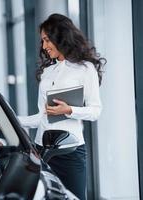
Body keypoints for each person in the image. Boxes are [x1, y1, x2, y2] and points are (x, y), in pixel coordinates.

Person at [18, 13, 106, 200]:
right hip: (42, 151)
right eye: (42, 41)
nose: (44, 46)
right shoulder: (47, 73)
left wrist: (69, 110)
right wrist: (12, 120)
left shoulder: (85, 68)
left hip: (70, 153)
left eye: (47, 40)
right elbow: (42, 116)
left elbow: (95, 111)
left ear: (60, 36)